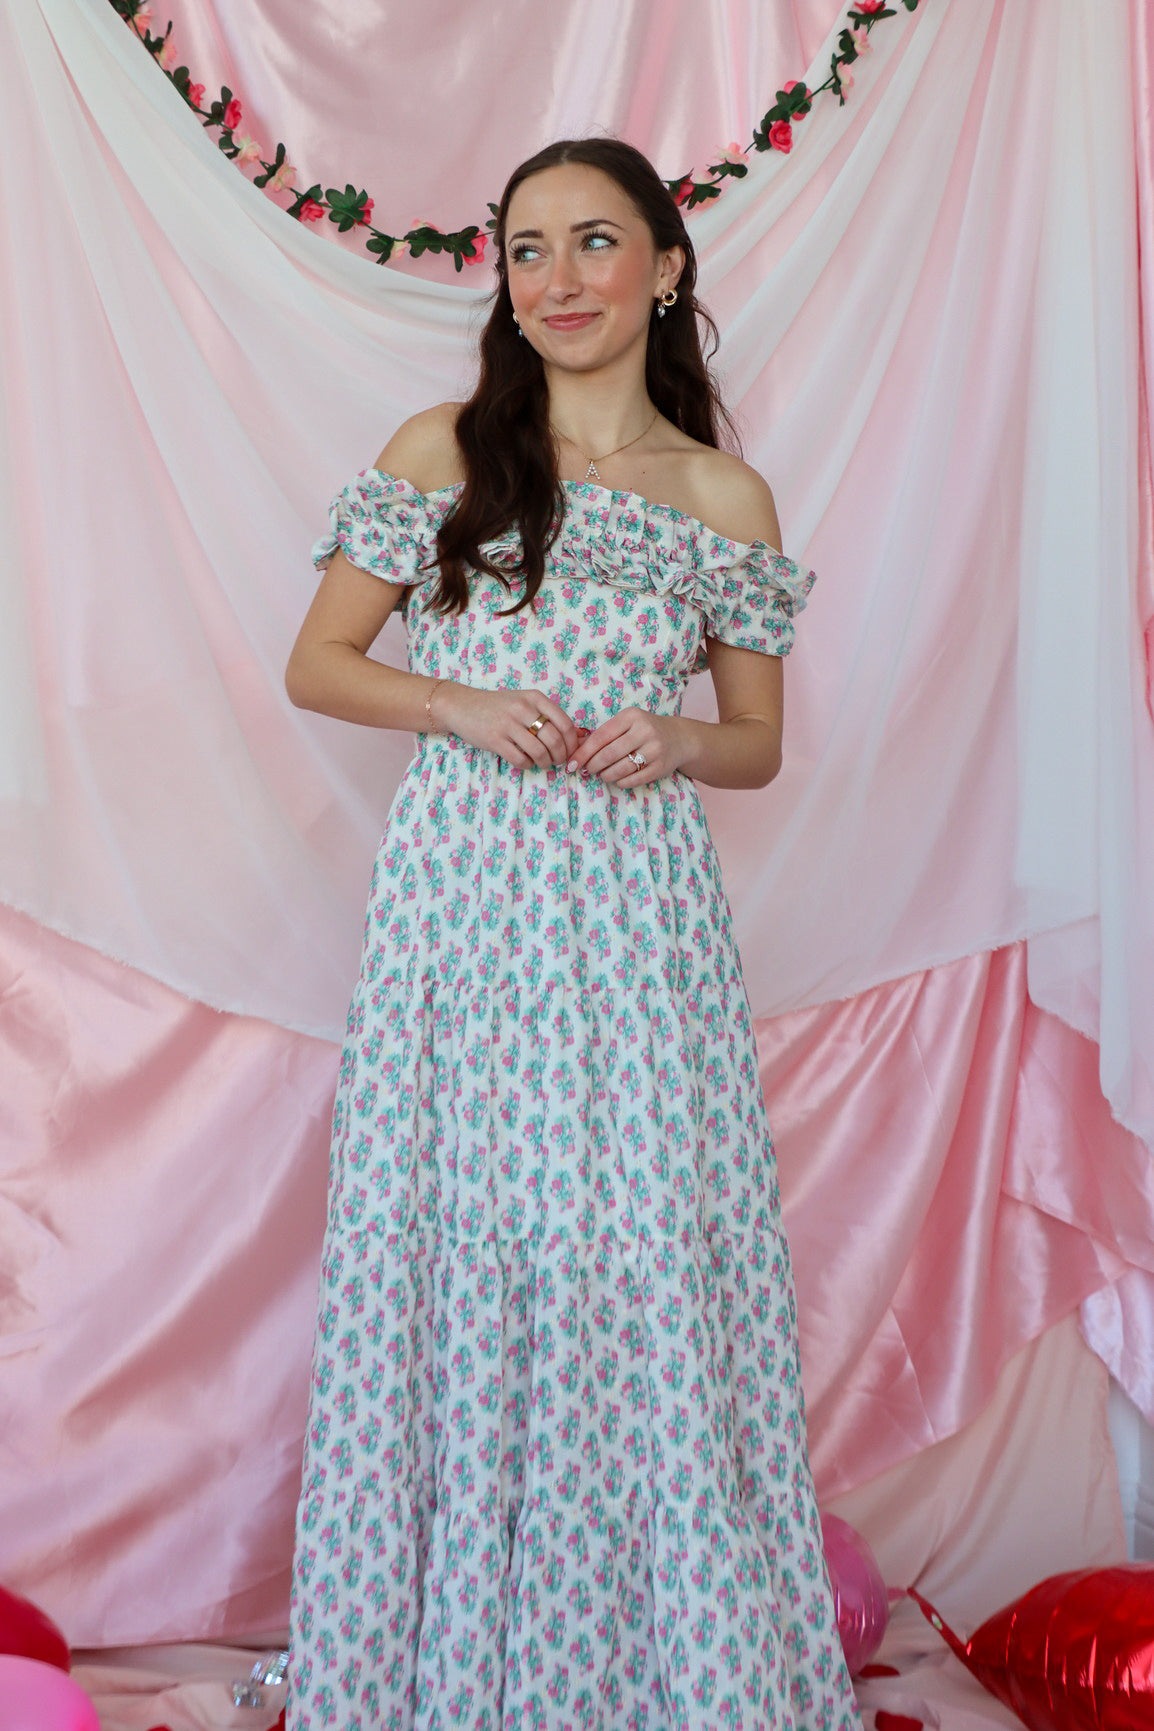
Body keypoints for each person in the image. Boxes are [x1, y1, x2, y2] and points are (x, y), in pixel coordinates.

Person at [284, 136, 860, 1731]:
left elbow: (752, 738)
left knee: (637, 1263)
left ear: (665, 268)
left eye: (592, 244)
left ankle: (651, 1665)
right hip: (464, 926)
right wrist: (457, 703)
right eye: (526, 251)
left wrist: (678, 741)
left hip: (636, 931)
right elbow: (321, 663)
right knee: (468, 1255)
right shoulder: (444, 451)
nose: (555, 281)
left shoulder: (718, 494)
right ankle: (457, 1666)